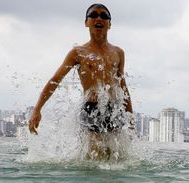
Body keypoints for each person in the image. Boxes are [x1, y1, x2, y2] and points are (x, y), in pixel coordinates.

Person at [28, 3, 133, 160]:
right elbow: (55, 80)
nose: (99, 18)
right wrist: (37, 109)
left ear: (110, 24)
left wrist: (130, 117)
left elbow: (122, 86)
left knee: (117, 158)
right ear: (86, 22)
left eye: (104, 16)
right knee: (96, 157)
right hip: (92, 108)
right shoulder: (78, 53)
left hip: (114, 109)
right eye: (94, 15)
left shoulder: (118, 52)